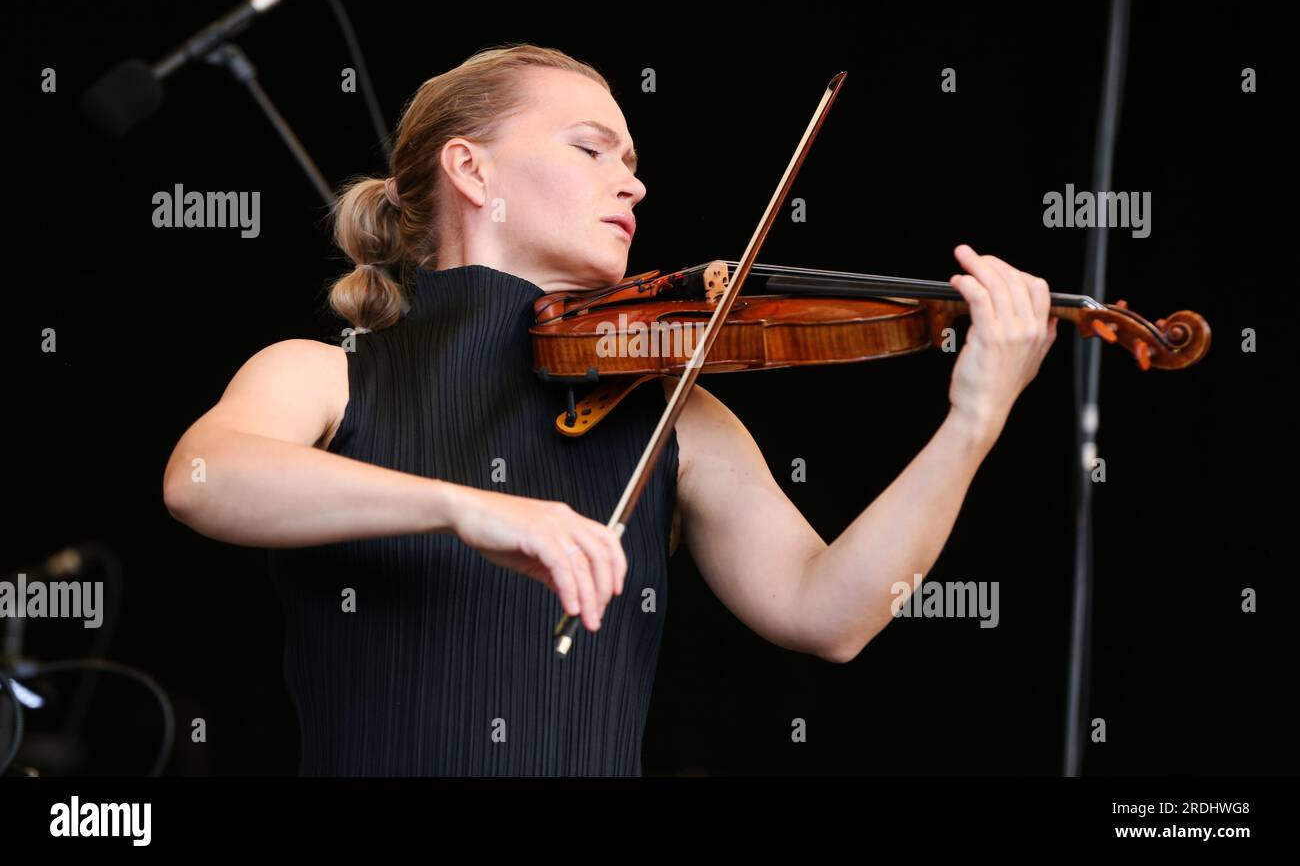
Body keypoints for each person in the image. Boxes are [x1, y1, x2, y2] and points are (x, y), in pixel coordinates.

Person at [162, 43, 1058, 776]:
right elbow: (204, 482)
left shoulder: (676, 414)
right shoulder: (326, 374)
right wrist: (464, 507)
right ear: (471, 169)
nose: (631, 185)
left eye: (632, 164)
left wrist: (973, 424)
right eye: (591, 150)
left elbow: (830, 614)